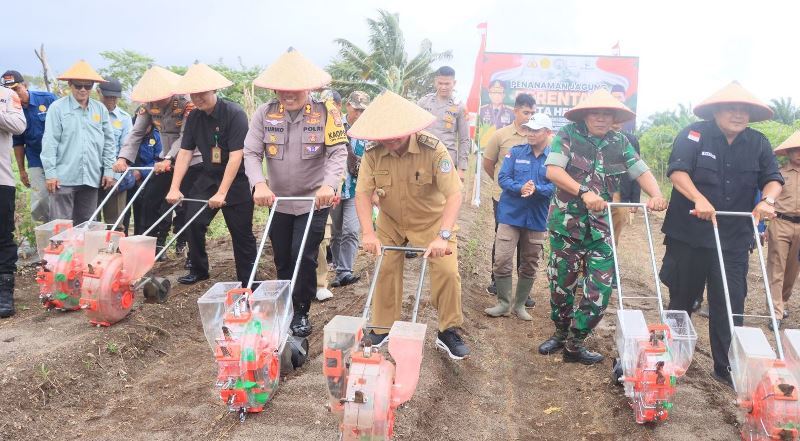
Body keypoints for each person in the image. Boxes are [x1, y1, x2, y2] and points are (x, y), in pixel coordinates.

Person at [659, 82, 782, 387]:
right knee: (682, 297)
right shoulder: (694, 134)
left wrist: (768, 201)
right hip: (690, 234)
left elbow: (773, 179)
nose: (739, 115)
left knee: (730, 302)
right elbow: (677, 172)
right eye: (732, 108)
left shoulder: (759, 143)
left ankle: (725, 365)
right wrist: (698, 197)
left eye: (744, 111)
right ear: (716, 110)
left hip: (734, 239)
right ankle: (672, 356)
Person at [539, 88, 667, 365]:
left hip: (600, 228)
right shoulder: (568, 136)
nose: (600, 118)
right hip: (566, 226)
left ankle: (576, 341)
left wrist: (655, 194)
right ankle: (560, 333)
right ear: (585, 115)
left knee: (600, 289)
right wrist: (583, 192)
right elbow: (553, 171)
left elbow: (640, 170)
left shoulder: (620, 142)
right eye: (595, 113)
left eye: (606, 114)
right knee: (562, 286)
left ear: (614, 117)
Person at [350, 90, 470, 360]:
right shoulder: (373, 153)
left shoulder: (432, 148)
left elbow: (454, 194)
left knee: (447, 271)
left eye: (397, 134)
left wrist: (443, 235)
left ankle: (448, 331)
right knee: (385, 267)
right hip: (391, 220)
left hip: (432, 221)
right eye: (385, 135)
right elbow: (361, 193)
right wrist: (368, 233)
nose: (391, 140)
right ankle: (382, 327)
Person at [243, 48, 347, 337]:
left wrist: (329, 185)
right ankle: (284, 306)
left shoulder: (327, 112)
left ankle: (300, 311)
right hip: (278, 201)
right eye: (282, 89)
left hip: (313, 201)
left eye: (295, 89)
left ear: (308, 88)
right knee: (282, 258)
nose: (288, 95)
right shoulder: (264, 114)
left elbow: (338, 152)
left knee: (303, 256)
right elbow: (251, 153)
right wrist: (259, 184)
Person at [165, 64, 257, 292]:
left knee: (241, 233)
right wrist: (174, 188)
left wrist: (222, 193)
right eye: (193, 94)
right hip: (209, 177)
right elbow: (185, 152)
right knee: (193, 221)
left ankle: (249, 280)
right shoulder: (195, 117)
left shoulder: (234, 113)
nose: (197, 98)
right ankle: (198, 268)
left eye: (202, 93)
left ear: (213, 90)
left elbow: (237, 156)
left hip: (236, 180)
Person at [114, 66, 198, 259]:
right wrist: (123, 158)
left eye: (161, 96)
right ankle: (147, 248)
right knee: (150, 199)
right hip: (165, 158)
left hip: (191, 158)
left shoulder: (186, 104)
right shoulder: (148, 106)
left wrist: (169, 158)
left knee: (187, 205)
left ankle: (189, 251)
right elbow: (136, 133)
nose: (157, 102)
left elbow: (186, 137)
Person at [485, 113, 554, 320]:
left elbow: (555, 187)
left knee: (530, 261)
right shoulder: (515, 153)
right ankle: (503, 303)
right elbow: (503, 178)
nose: (530, 133)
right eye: (529, 129)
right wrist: (520, 187)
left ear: (548, 133)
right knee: (502, 258)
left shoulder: (554, 158)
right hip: (510, 214)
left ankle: (520, 305)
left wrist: (537, 189)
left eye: (536, 130)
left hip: (536, 217)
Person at [41, 60, 116, 224]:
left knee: (86, 225)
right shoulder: (57, 108)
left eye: (87, 86)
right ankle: (62, 251)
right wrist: (51, 174)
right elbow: (49, 142)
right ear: (70, 84)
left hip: (91, 176)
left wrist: (109, 170)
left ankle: (82, 251)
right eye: (78, 85)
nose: (83, 89)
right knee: (61, 226)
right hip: (63, 178)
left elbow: (109, 142)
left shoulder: (100, 109)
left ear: (93, 87)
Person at [482, 93, 536, 297]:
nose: (529, 116)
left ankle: (524, 291)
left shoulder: (537, 136)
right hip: (503, 198)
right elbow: (489, 164)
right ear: (515, 111)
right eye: (525, 112)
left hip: (531, 199)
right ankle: (497, 281)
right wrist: (501, 184)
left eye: (532, 112)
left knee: (527, 242)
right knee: (503, 238)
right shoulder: (500, 135)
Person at [330, 90, 371, 289]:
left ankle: (344, 271)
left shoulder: (370, 132)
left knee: (351, 230)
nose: (360, 115)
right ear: (348, 106)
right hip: (336, 189)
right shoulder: (335, 125)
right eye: (357, 110)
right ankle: (337, 266)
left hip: (357, 190)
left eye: (363, 111)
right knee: (337, 231)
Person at [4, 70, 57, 223]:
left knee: (60, 197)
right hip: (35, 158)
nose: (13, 94)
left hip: (58, 157)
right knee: (39, 198)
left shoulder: (48, 99)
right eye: (8, 91)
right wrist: (21, 170)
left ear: (25, 85)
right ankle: (42, 237)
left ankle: (62, 234)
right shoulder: (12, 111)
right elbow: (18, 142)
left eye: (16, 89)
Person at [766, 131, 800, 329]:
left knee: (792, 269)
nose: (798, 154)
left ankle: (782, 301)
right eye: (795, 150)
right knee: (776, 267)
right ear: (788, 152)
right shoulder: (778, 174)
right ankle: (775, 311)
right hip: (780, 222)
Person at [0, 85, 27, 317]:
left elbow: (19, 126)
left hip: (1, 180)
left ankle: (4, 293)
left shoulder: (6, 95)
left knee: (3, 237)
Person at [418, 66, 470, 181]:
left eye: (447, 84)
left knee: (444, 197)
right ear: (435, 81)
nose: (443, 87)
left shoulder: (460, 107)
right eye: (440, 83)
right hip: (422, 159)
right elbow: (412, 130)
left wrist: (462, 169)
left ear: (454, 83)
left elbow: (464, 139)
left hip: (446, 161)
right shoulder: (423, 103)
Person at [96, 78, 132, 227]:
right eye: (107, 96)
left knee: (115, 222)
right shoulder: (90, 113)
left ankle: (115, 250)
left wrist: (116, 177)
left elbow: (126, 148)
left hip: (115, 175)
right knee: (90, 220)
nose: (111, 100)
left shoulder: (124, 118)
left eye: (114, 97)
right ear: (99, 93)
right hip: (92, 174)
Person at [610, 121, 642, 244]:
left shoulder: (630, 140)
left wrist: (635, 199)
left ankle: (611, 261)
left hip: (621, 197)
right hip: (597, 196)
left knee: (613, 238)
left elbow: (638, 170)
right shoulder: (591, 138)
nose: (616, 123)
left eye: (619, 120)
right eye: (614, 119)